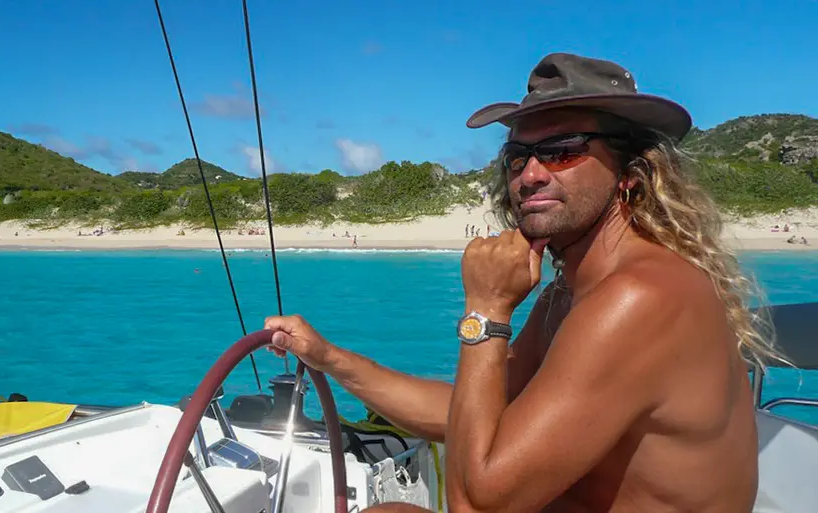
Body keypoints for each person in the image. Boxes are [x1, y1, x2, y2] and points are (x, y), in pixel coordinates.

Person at [265, 53, 782, 513]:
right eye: (518, 156)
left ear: (630, 170)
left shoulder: (640, 298)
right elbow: (465, 418)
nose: (530, 174)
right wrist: (328, 357)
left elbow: (475, 502)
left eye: (563, 150)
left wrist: (487, 308)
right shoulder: (570, 294)